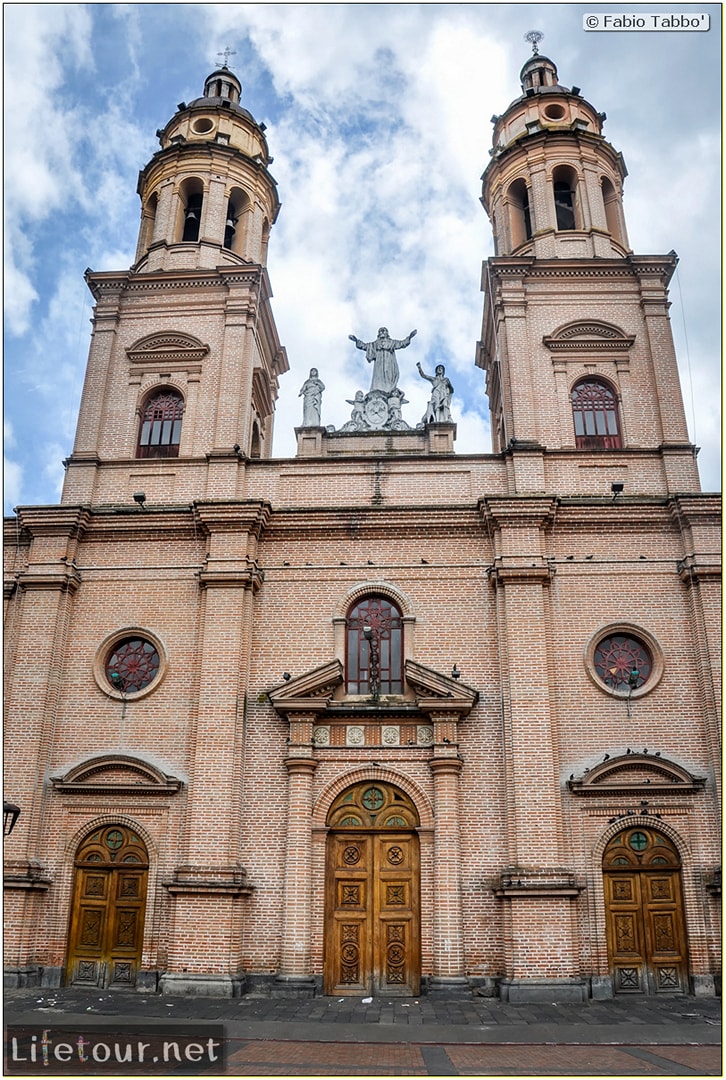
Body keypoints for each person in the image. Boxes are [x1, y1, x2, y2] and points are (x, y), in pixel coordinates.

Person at [348, 327, 417, 394]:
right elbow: (364, 346)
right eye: (381, 331)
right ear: (378, 333)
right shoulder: (374, 344)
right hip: (379, 363)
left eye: (384, 330)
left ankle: (389, 391)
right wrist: (356, 340)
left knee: (389, 375)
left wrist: (409, 337)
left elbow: (402, 343)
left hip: (389, 362)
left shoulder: (392, 342)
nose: (383, 332)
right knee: (378, 376)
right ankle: (378, 390)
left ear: (387, 333)